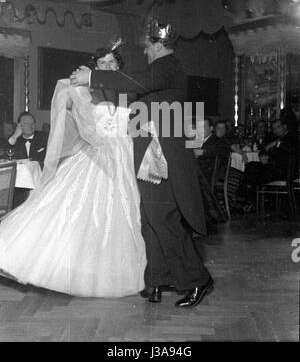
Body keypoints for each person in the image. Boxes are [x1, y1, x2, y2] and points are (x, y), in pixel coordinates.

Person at [70, 19, 214, 308]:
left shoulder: (167, 66)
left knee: (163, 219)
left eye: (148, 46)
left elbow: (136, 83)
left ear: (159, 44)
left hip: (163, 160)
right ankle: (157, 280)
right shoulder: (159, 70)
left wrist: (92, 77)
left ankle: (198, 279)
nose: (146, 51)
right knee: (150, 219)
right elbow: (147, 112)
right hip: (152, 157)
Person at [0, 44, 146, 298]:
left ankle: (109, 269)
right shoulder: (87, 91)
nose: (109, 67)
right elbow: (77, 116)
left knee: (126, 210)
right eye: (103, 63)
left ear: (119, 66)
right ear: (95, 68)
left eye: (113, 63)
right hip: (100, 154)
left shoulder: (130, 92)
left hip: (126, 154)